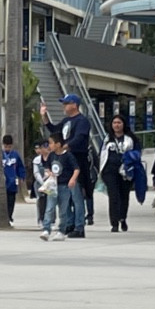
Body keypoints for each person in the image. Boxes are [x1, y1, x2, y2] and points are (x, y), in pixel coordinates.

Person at [99, 114, 137, 232]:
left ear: (124, 124)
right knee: (113, 196)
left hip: (126, 171)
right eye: (114, 122)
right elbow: (102, 154)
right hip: (110, 170)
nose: (116, 125)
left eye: (119, 122)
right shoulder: (107, 138)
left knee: (124, 196)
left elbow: (137, 153)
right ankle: (114, 223)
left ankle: (122, 218)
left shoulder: (131, 139)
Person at [60, 95, 94, 224]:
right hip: (66, 159)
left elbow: (80, 136)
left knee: (77, 194)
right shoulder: (66, 121)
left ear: (74, 105)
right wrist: (45, 117)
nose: (64, 106)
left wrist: (67, 146)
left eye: (66, 103)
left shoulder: (82, 121)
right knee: (65, 194)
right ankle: (69, 222)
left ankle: (79, 225)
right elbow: (55, 130)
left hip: (78, 157)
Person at [56, 135, 86, 237]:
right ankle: (69, 223)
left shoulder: (69, 154)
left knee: (77, 202)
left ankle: (79, 226)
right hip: (63, 181)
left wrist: (73, 178)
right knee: (65, 203)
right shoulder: (55, 155)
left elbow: (76, 168)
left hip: (73, 179)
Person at [32, 139, 60, 239]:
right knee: (41, 201)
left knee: (51, 201)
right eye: (44, 147)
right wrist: (43, 183)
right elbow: (36, 173)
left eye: (48, 147)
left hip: (52, 182)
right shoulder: (37, 160)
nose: (46, 149)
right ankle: (41, 219)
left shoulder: (54, 158)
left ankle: (52, 220)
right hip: (40, 183)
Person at [1, 134, 27, 224]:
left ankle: (10, 216)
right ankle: (4, 216)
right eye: (5, 146)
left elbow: (20, 166)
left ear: (12, 146)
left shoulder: (15, 155)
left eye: (9, 146)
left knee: (11, 200)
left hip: (12, 182)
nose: (7, 148)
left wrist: (22, 176)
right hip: (3, 182)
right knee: (4, 201)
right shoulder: (0, 155)